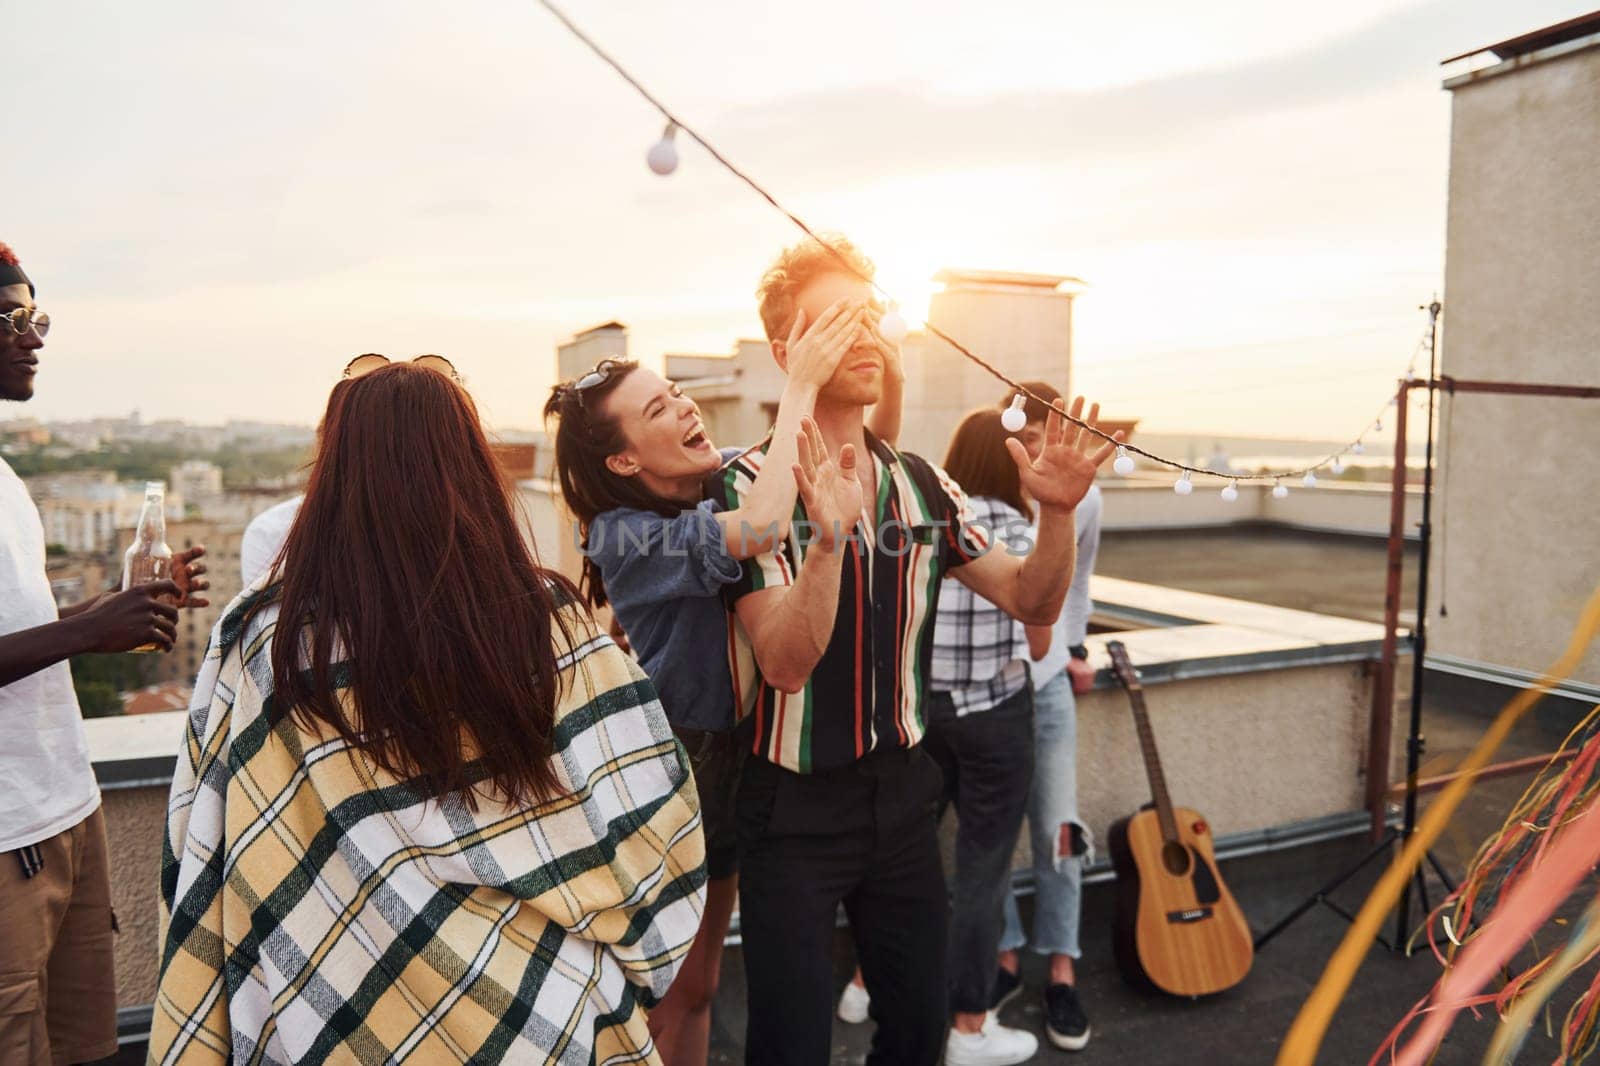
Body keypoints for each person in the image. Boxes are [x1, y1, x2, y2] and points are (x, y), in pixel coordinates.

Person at [150, 361, 706, 1063]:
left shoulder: (266, 637)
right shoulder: (545, 618)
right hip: (542, 1011)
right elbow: (650, 797)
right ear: (470, 464)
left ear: (335, 473)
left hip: (337, 998)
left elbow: (209, 833)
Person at [716, 234, 1117, 1066]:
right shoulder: (743, 490)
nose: (866, 337)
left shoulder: (924, 484)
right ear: (788, 351)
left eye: (872, 317)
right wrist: (825, 545)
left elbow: (1031, 599)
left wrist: (1055, 517)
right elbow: (786, 665)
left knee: (915, 1035)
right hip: (790, 812)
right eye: (837, 323)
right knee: (788, 1045)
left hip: (902, 798)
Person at [544, 299, 897, 1064]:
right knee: (660, 989)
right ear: (623, 461)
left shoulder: (720, 484)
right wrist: (799, 380)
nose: (684, 410)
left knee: (701, 982)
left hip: (746, 762)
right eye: (657, 411)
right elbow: (766, 527)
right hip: (671, 770)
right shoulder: (623, 534)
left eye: (676, 396)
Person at [0, 240, 209, 1066]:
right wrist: (90, 630)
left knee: (88, 1049)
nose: (35, 333)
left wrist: (121, 610)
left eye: (38, 314)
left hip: (65, 810)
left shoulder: (9, 481)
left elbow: (24, 627)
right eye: (12, 315)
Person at [995, 381, 1103, 1053]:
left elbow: (1082, 578)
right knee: (994, 830)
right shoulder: (985, 496)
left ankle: (1061, 967)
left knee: (1059, 830)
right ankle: (1004, 957)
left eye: (1049, 437)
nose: (1040, 451)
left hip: (1052, 686)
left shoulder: (1085, 496)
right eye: (1031, 439)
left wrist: (1079, 648)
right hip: (994, 687)